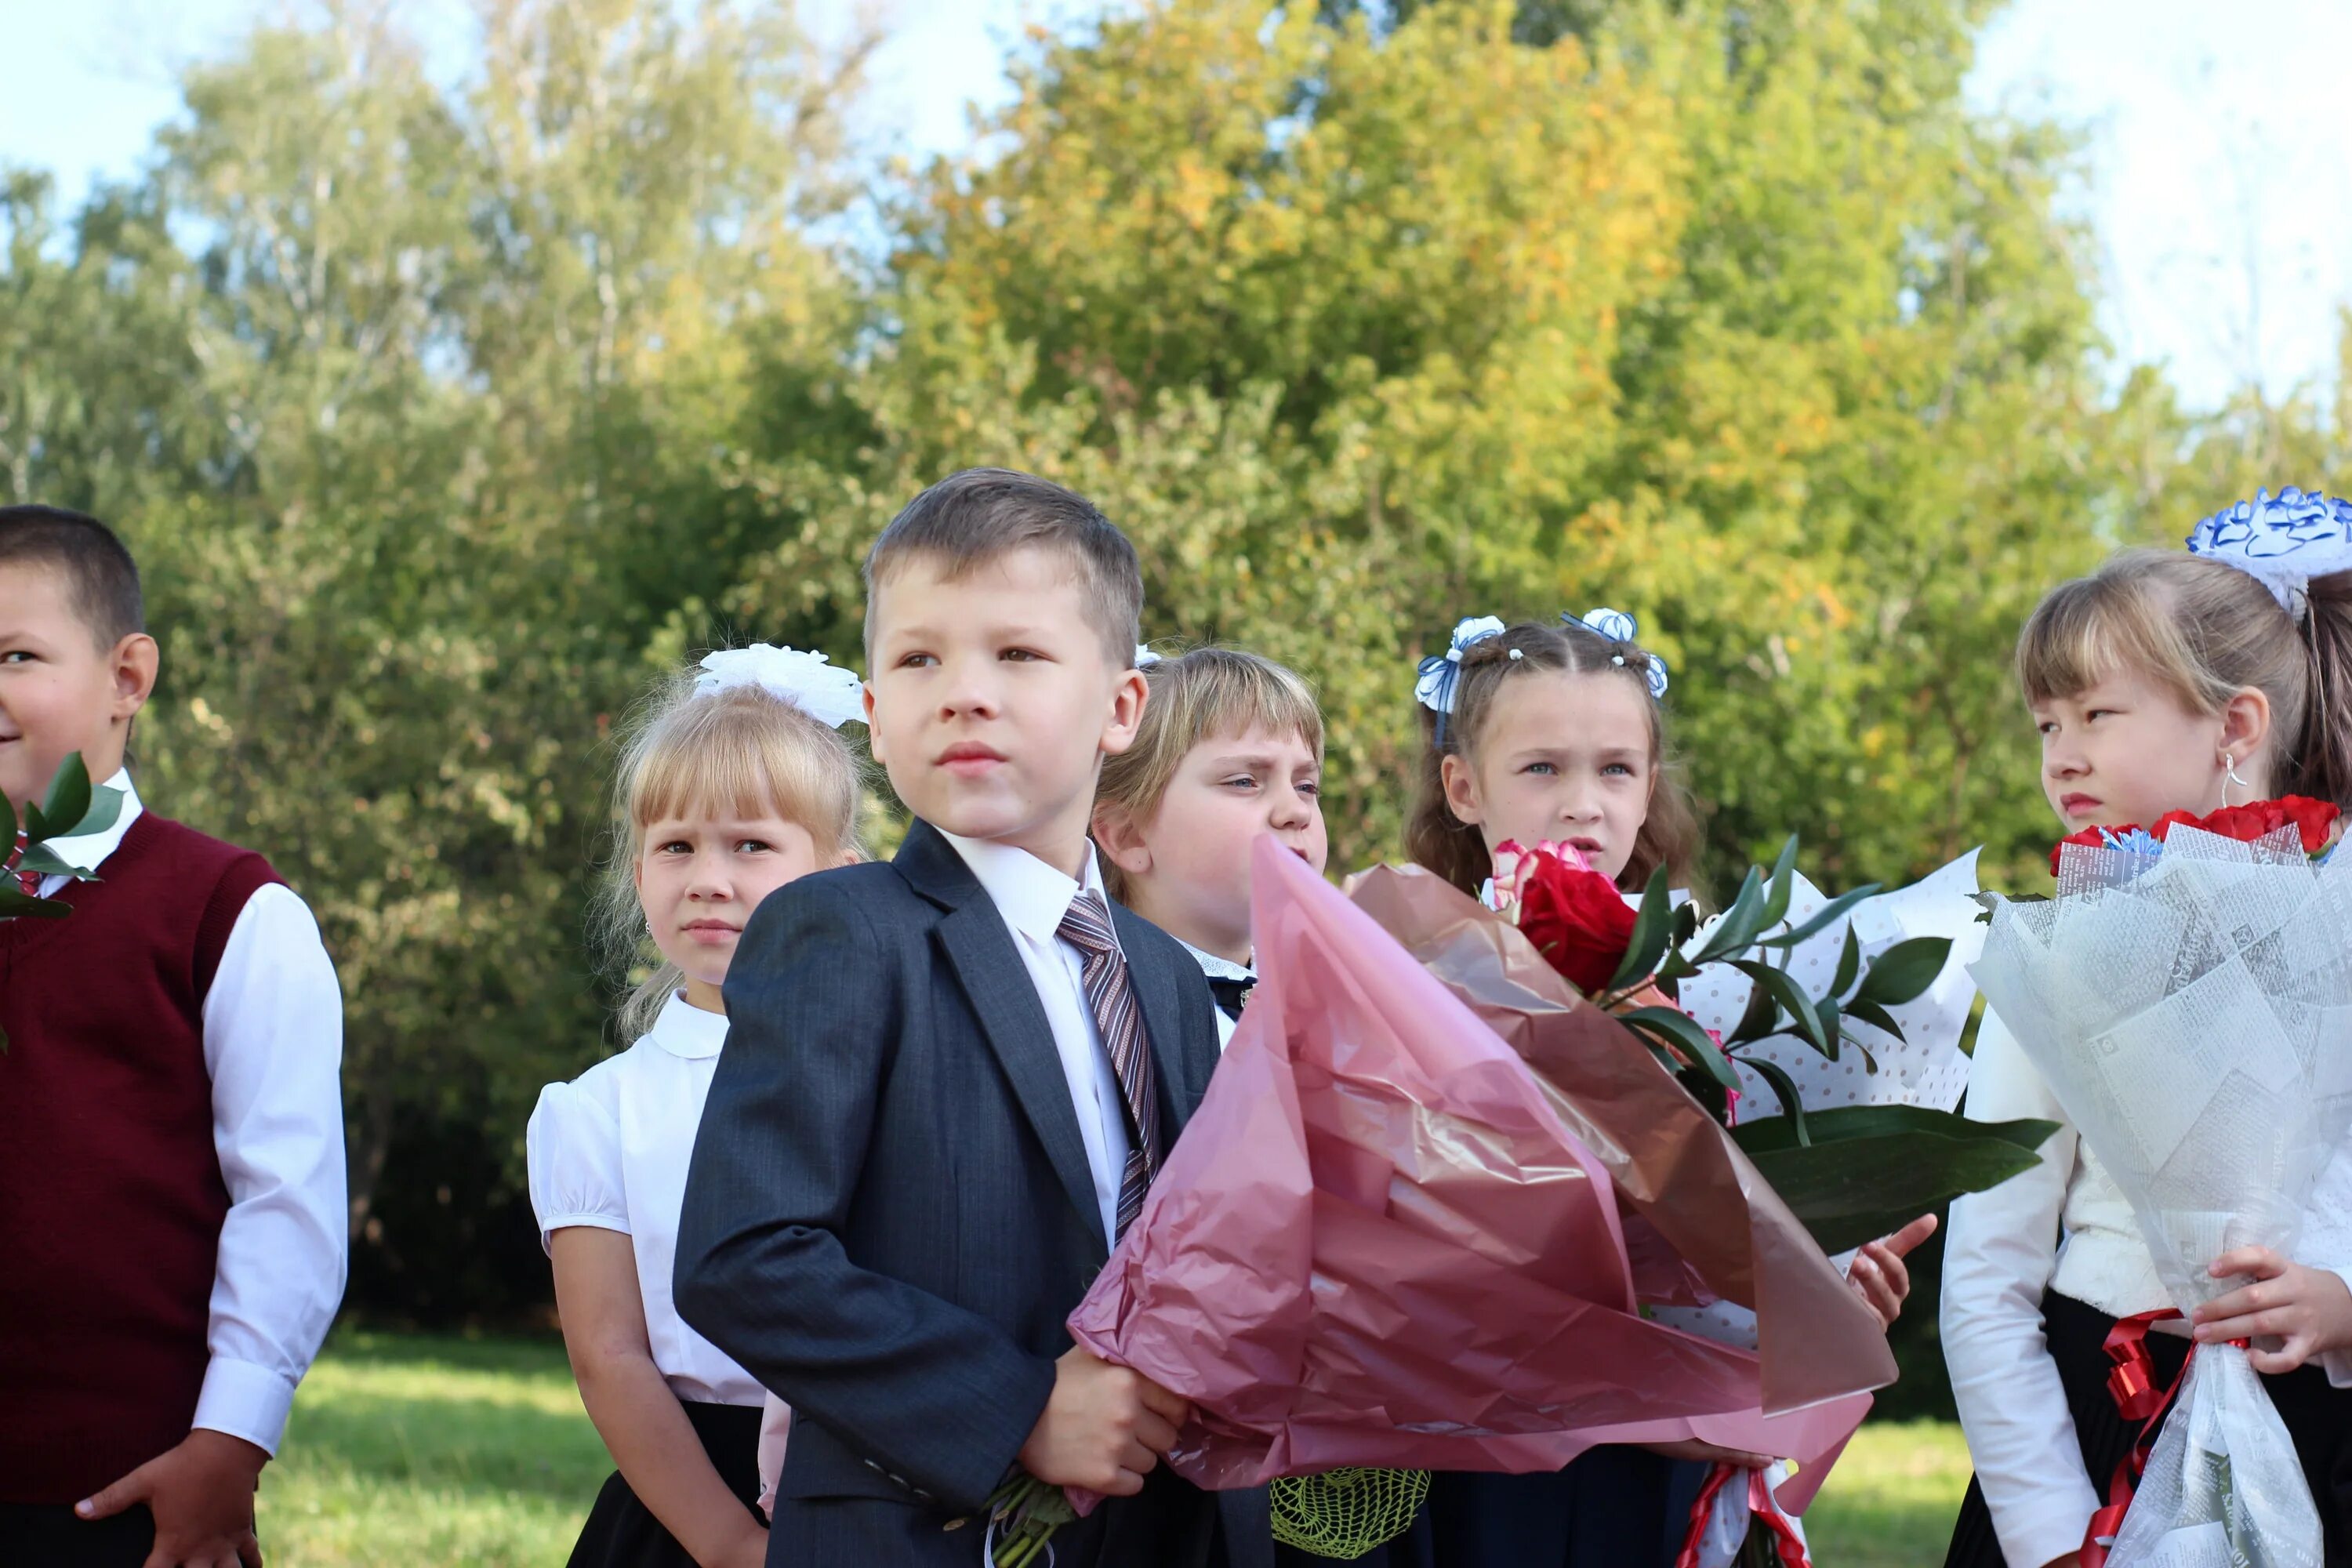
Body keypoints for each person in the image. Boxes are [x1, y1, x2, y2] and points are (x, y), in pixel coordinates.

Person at [672, 468, 1270, 1568]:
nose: (963, 692)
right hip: (926, 1534)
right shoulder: (841, 932)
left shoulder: (1167, 978)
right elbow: (744, 1256)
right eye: (918, 660)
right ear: (876, 719)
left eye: (1019, 654)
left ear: (1121, 708)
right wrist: (1018, 1409)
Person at [1403, 609, 1926, 1568]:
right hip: (1486, 1482)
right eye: (1541, 767)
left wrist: (1828, 1284)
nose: (1582, 803)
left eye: (1614, 768)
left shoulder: (1717, 993)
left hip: (1675, 1476)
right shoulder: (1403, 984)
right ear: (1463, 786)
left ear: (1649, 786)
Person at [1942, 538, 2352, 1568]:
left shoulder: (2338, 928)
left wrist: (2345, 1305)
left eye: (2097, 714)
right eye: (2046, 724)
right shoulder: (2058, 955)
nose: (2060, 755)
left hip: (2325, 1449)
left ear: (2236, 723)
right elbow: (1987, 1278)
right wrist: (2048, 1534)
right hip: (2097, 1437)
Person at [0, 503, 347, 1568]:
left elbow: (287, 1202)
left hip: (118, 1496)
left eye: (17, 655)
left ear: (128, 678)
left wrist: (229, 1441)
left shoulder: (228, 911)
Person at [1091, 644, 1434, 1567]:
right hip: (1161, 1470)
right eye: (1246, 780)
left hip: (1351, 1435)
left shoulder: (1355, 1006)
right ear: (1124, 834)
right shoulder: (1097, 1020)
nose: (1294, 808)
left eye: (1307, 784)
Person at [528, 646, 865, 1568]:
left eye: (751, 843)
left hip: (879, 1482)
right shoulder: (599, 1109)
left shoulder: (893, 1074)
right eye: (677, 845)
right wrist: (726, 1541)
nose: (708, 878)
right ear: (638, 876)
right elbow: (610, 1354)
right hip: (687, 1506)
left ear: (840, 875)